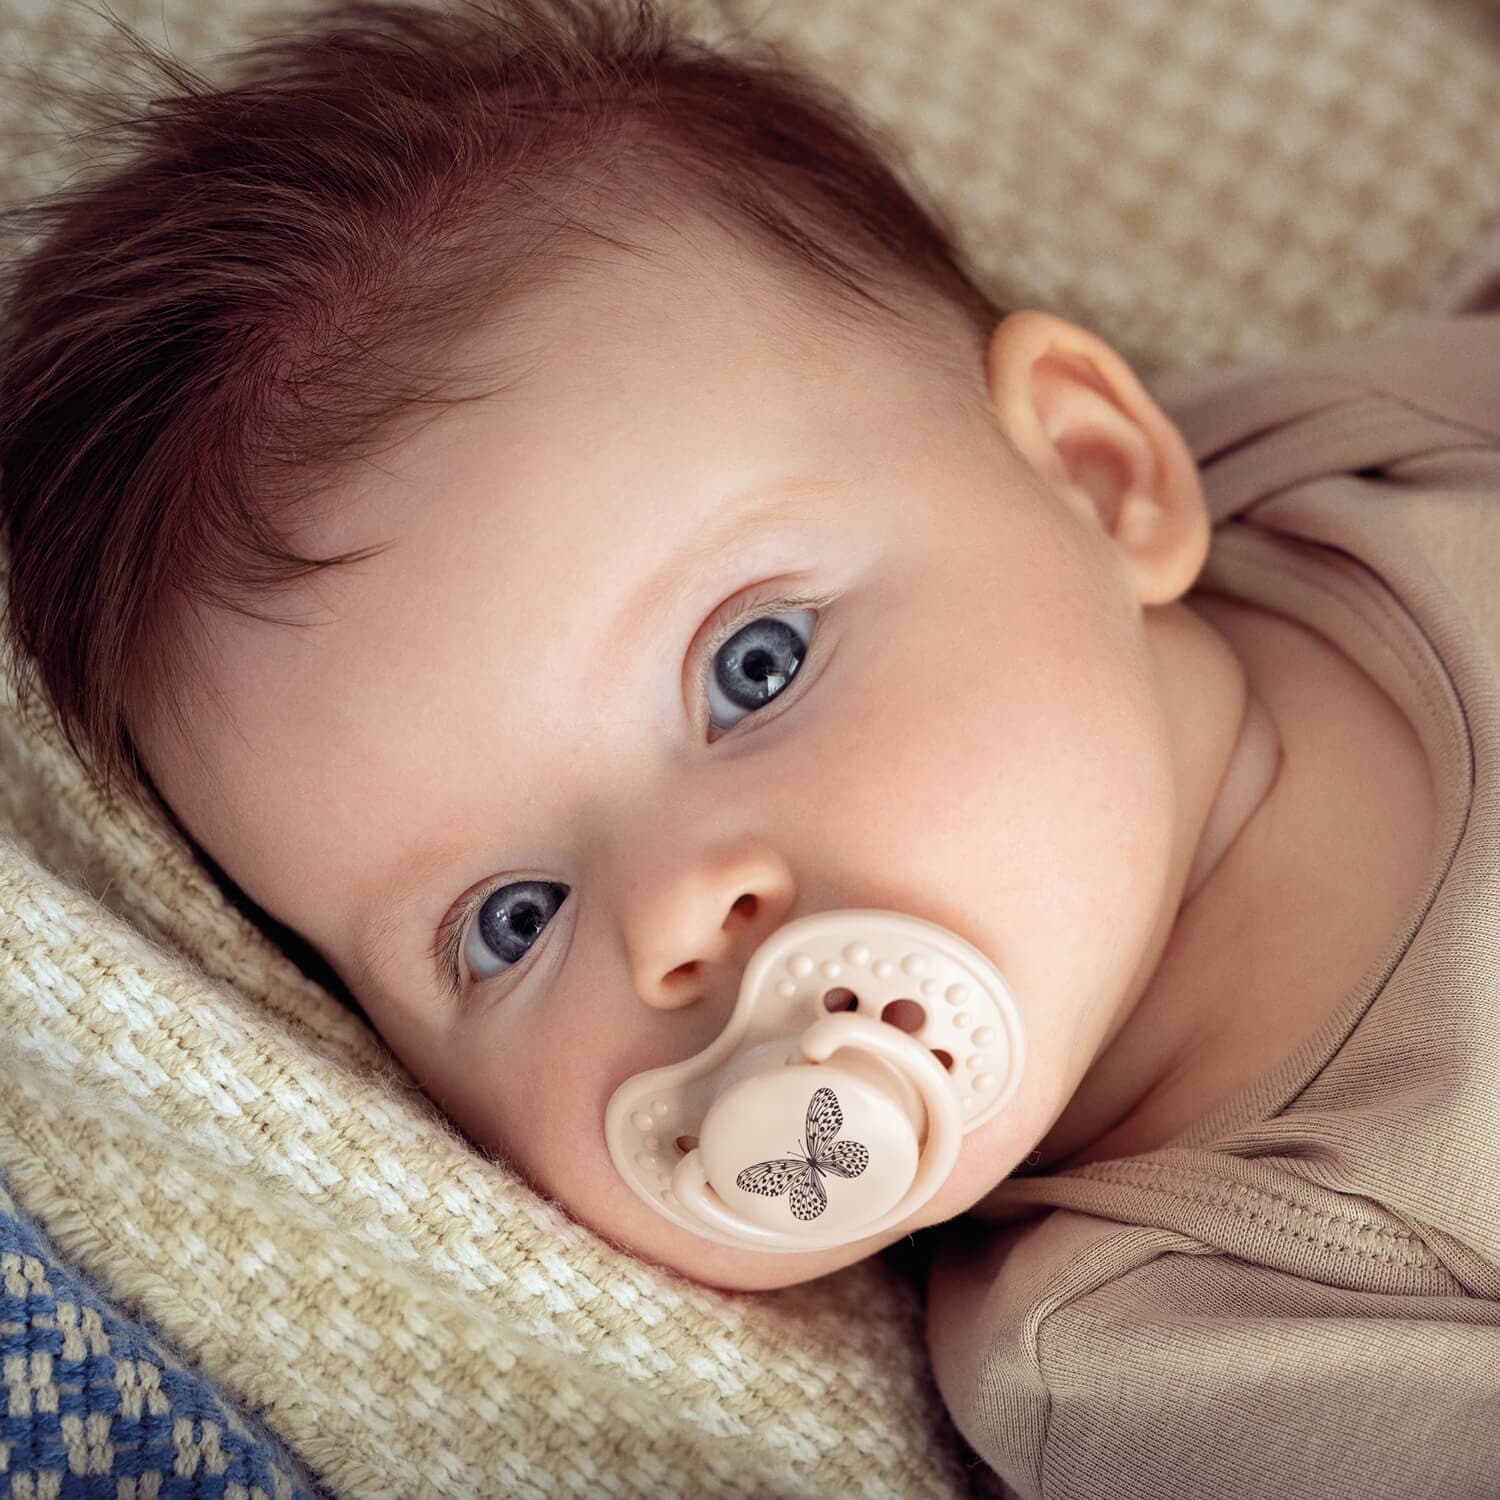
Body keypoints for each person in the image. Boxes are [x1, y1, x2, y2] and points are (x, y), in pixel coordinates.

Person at [1, 1, 1495, 1494]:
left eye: (753, 665)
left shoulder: (1370, 454)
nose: (666, 920)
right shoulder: (1183, 1359)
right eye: (512, 922)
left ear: (1099, 479)